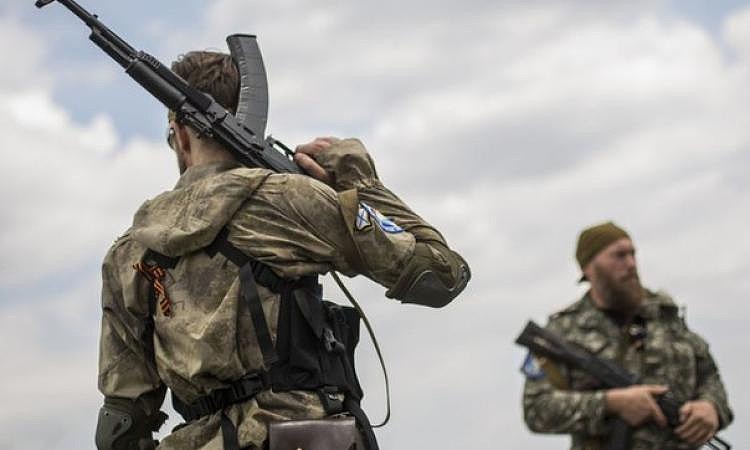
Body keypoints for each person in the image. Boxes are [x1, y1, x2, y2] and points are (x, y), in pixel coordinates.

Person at [94, 51, 470, 450]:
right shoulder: (293, 201)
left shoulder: (130, 253)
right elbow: (441, 276)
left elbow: (120, 424)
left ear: (180, 135)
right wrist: (361, 186)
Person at [522, 222, 733, 450]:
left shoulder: (666, 317)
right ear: (588, 267)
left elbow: (710, 378)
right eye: (619, 256)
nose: (631, 264)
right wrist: (611, 404)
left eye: (633, 254)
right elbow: (537, 409)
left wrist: (711, 407)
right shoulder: (561, 331)